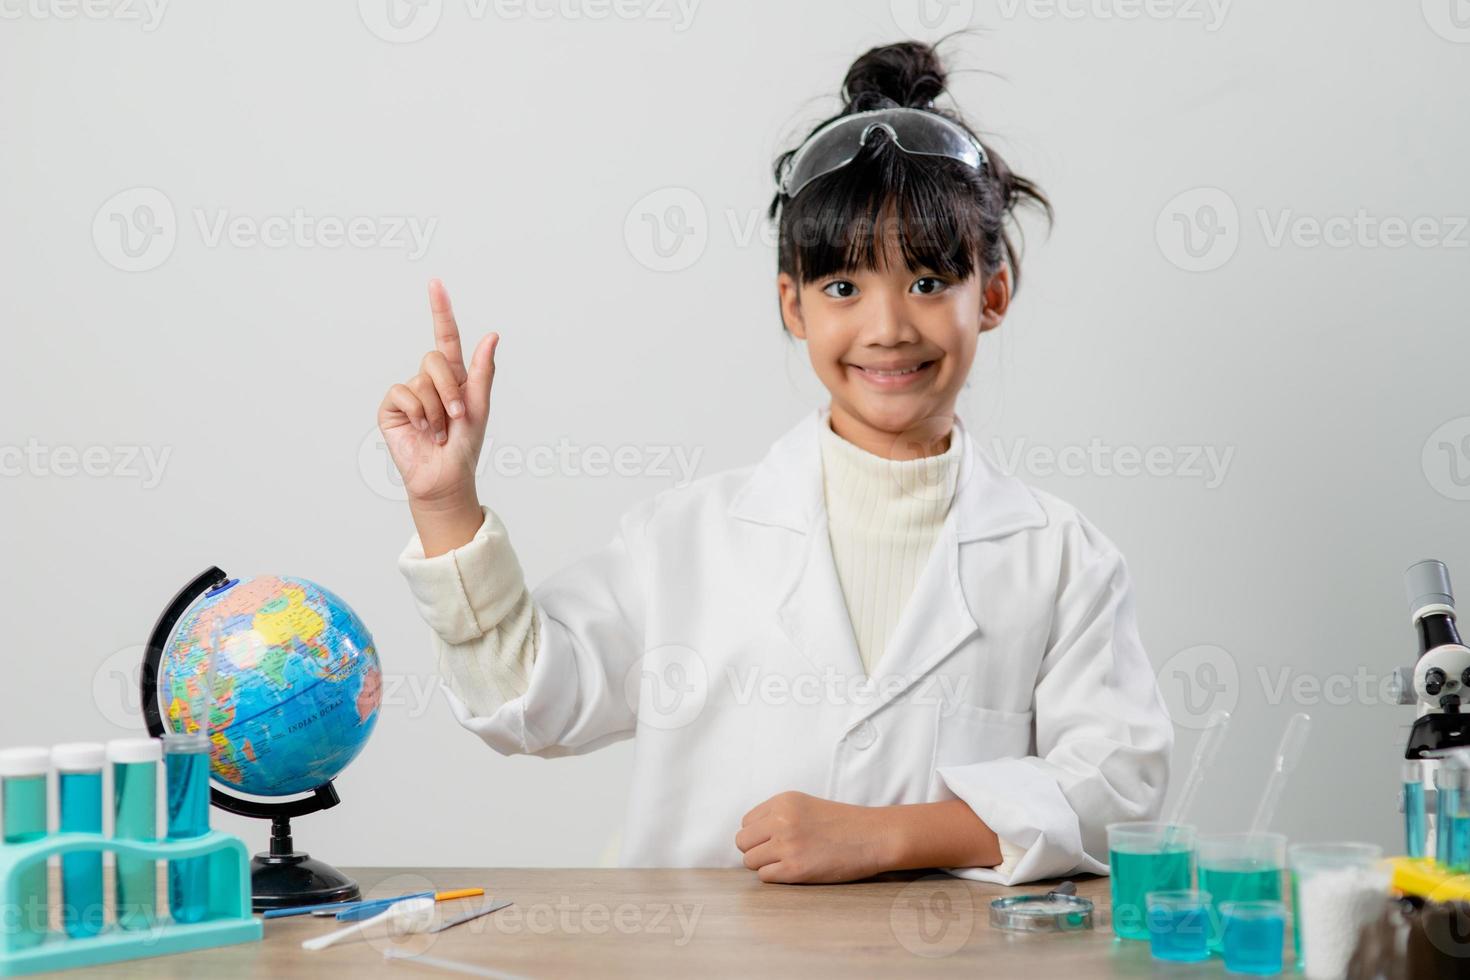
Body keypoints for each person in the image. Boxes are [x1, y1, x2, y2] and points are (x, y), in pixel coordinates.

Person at [378, 39, 1173, 885]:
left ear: (995, 292)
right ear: (790, 303)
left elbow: (1122, 786)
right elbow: (528, 703)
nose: (888, 327)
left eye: (930, 281)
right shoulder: (684, 541)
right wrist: (446, 504)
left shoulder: (1060, 557)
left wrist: (892, 834)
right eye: (843, 288)